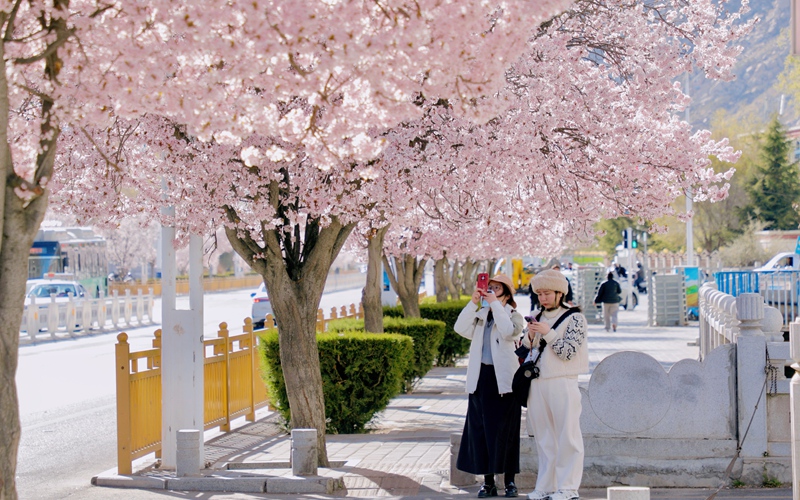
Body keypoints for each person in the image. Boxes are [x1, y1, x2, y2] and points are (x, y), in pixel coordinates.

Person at [454, 273, 525, 498]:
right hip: (480, 379)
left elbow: (508, 332)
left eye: (496, 287)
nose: (491, 290)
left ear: (506, 291)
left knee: (507, 433)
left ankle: (510, 481)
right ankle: (488, 482)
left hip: (504, 381)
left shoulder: (514, 316)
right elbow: (459, 328)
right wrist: (473, 303)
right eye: (489, 286)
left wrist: (496, 306)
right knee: (482, 432)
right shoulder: (481, 315)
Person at [523, 270, 588, 500]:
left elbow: (568, 352)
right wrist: (531, 336)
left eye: (547, 293)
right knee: (543, 438)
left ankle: (568, 488)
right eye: (539, 293)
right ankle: (546, 486)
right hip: (537, 383)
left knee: (567, 436)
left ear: (560, 292)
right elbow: (526, 349)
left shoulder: (575, 318)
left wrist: (548, 333)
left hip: (563, 381)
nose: (543, 298)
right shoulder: (536, 316)